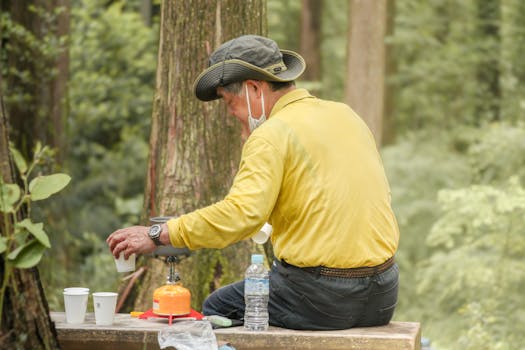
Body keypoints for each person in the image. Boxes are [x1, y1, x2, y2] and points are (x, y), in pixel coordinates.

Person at [107, 34, 399, 331]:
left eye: (229, 102)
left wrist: (159, 233)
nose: (231, 114)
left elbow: (241, 216)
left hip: (322, 298)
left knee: (218, 307)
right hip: (383, 293)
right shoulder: (345, 114)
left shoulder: (272, 133)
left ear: (254, 88)